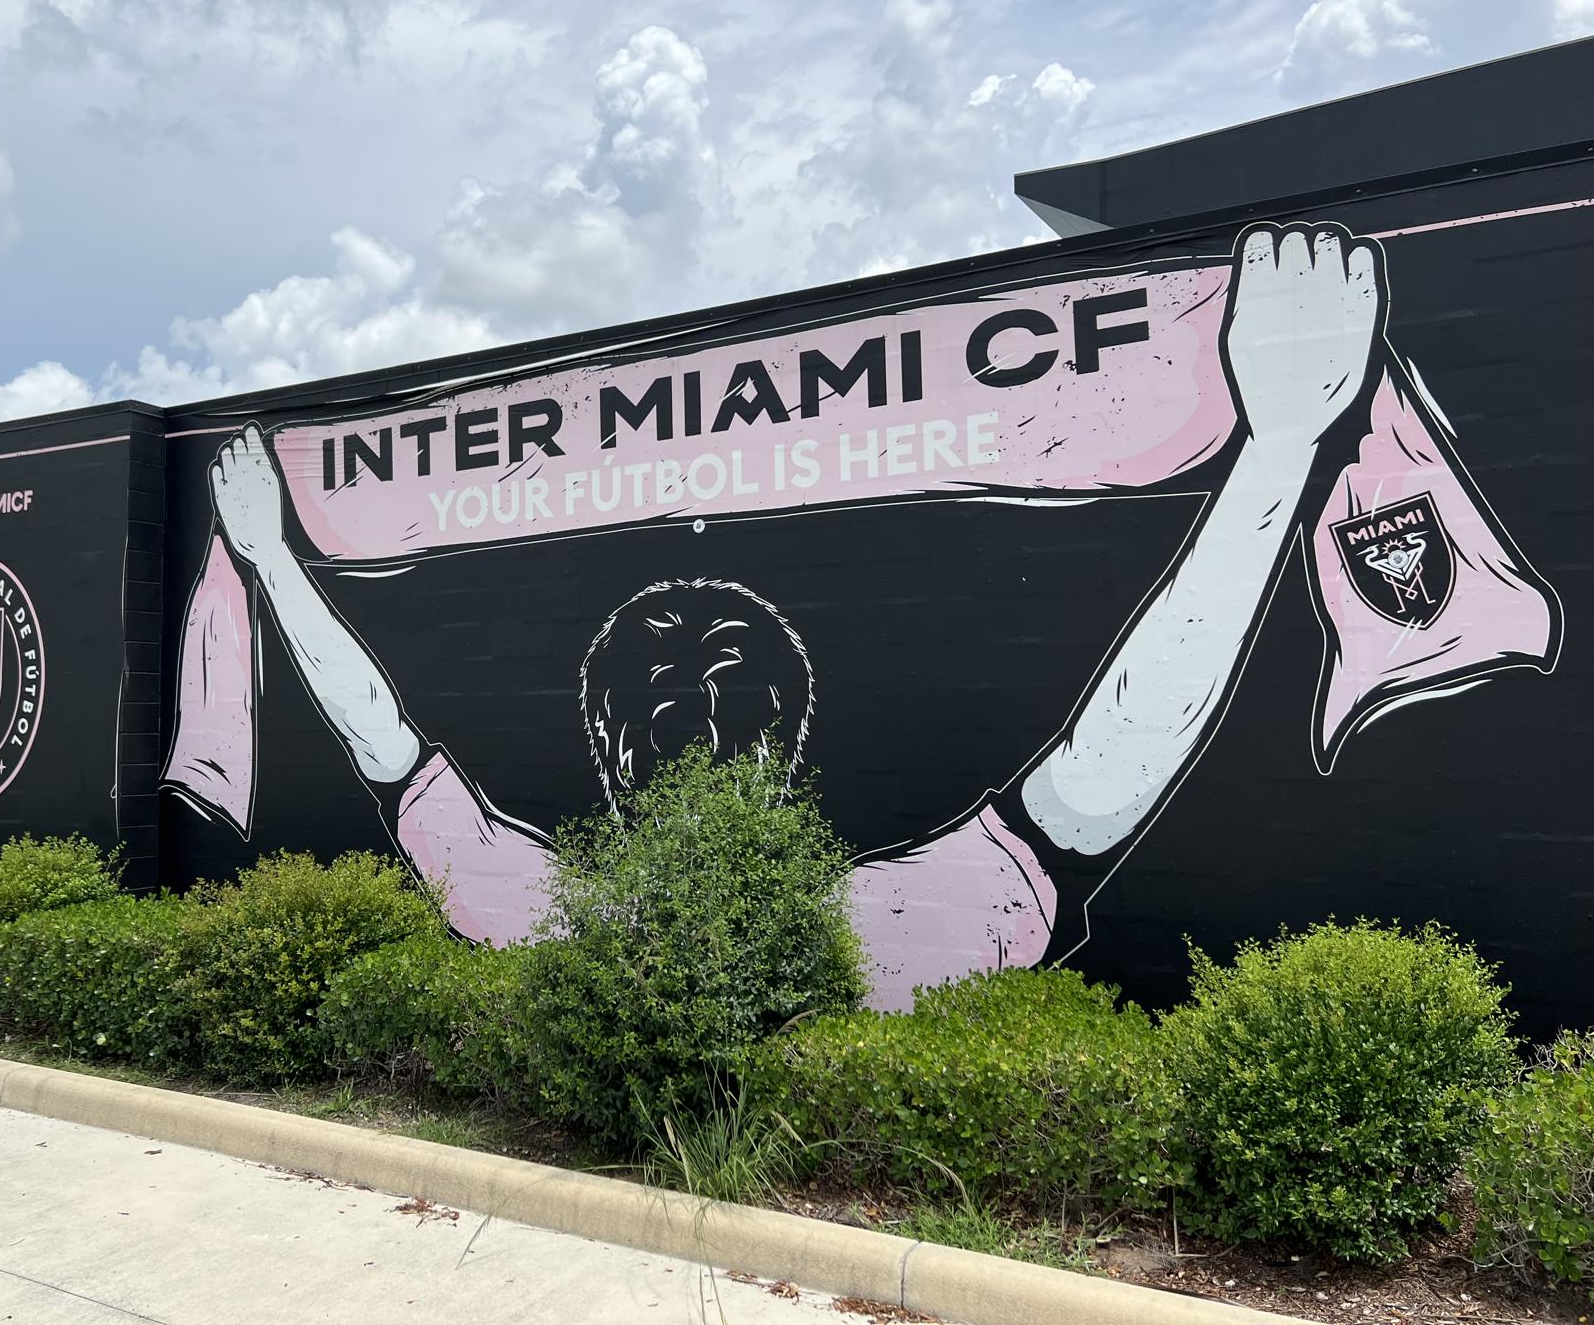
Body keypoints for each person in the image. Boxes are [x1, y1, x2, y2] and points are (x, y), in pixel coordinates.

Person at [204, 222, 1389, 1008]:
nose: (695, 706)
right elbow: (1105, 770)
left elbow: (381, 738)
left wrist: (272, 560)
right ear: (790, 751)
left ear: (606, 749)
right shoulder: (895, 928)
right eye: (683, 691)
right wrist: (1278, 446)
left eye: (712, 686)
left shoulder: (524, 908)